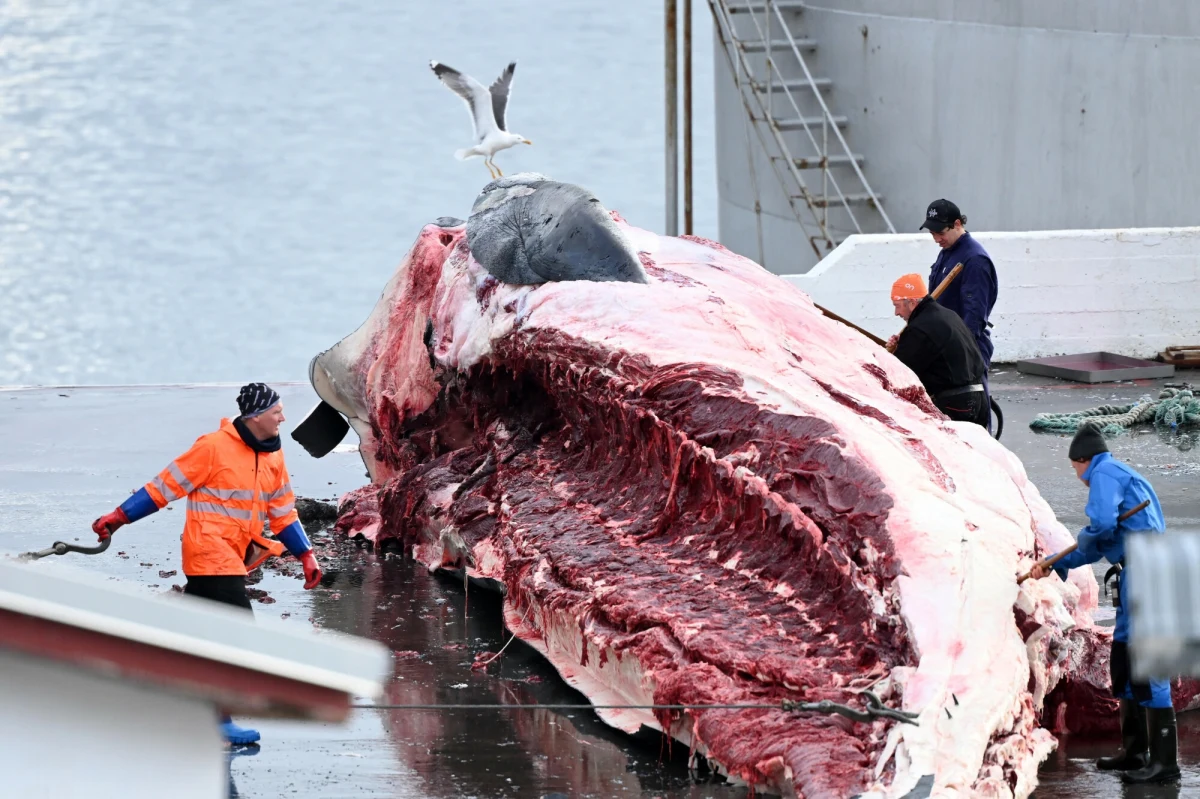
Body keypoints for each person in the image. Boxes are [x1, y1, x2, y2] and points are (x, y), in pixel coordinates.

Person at [91, 383, 323, 746]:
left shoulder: (274, 457)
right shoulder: (213, 448)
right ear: (255, 416)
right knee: (236, 633)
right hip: (208, 554)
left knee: (197, 636)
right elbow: (164, 487)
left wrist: (306, 554)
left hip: (236, 556)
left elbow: (282, 514)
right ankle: (217, 719)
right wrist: (119, 517)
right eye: (276, 411)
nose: (283, 417)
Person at [1028, 423, 1178, 785]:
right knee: (1124, 659)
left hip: (1148, 575)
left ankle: (1164, 763)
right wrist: (1055, 563)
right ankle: (1135, 752)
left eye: (1075, 467)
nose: (1078, 476)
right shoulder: (1116, 475)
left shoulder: (1106, 473)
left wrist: (1075, 543)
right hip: (1133, 576)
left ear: (1083, 460)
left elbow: (1100, 525)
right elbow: (1097, 543)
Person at [888, 273, 989, 427]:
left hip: (954, 404)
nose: (897, 313)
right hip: (979, 398)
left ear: (912, 302)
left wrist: (891, 352)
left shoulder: (920, 328)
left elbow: (900, 372)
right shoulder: (948, 315)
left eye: (897, 306)